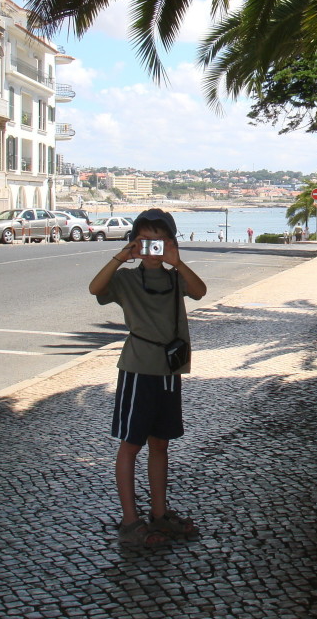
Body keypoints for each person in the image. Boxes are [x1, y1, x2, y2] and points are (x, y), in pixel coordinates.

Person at [88, 209, 207, 547]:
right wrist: (121, 257)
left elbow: (200, 291)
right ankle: (130, 521)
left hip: (169, 371)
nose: (153, 246)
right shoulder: (126, 280)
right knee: (130, 445)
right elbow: (95, 288)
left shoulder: (174, 278)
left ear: (170, 241)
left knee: (160, 444)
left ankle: (159, 513)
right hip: (139, 369)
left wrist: (177, 262)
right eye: (145, 240)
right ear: (135, 242)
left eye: (160, 239)